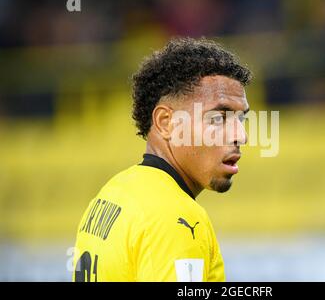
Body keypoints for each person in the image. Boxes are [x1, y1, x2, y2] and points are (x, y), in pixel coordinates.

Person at [73, 37, 252, 281]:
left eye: (241, 119)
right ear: (166, 122)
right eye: (218, 118)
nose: (241, 136)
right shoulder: (178, 218)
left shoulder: (111, 194)